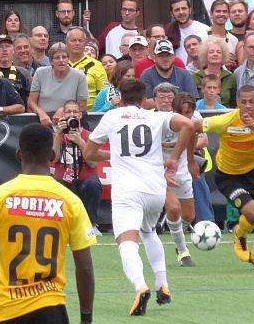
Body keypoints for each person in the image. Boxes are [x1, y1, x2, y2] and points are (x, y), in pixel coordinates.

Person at [0, 122, 96, 324]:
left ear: (19, 155)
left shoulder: (0, 196)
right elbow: (85, 267)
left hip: (7, 309)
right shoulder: (70, 200)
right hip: (51, 309)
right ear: (52, 155)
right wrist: (86, 318)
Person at [83, 78, 195, 315]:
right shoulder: (155, 117)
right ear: (145, 100)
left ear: (120, 100)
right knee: (149, 232)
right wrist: (174, 158)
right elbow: (188, 125)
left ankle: (140, 286)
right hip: (155, 189)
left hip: (128, 190)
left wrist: (113, 155)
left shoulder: (112, 117)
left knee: (126, 241)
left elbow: (89, 153)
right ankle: (162, 284)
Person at [198, 85, 254, 269]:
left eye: (252, 101)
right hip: (228, 176)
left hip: (252, 172)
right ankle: (239, 233)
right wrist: (188, 153)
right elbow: (194, 126)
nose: (248, 105)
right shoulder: (226, 120)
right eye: (244, 102)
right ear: (237, 103)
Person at [155, 90, 206, 267]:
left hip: (181, 170)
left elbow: (192, 138)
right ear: (175, 111)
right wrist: (160, 171)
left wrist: (191, 161)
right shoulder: (162, 122)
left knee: (189, 215)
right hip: (159, 170)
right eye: (183, 113)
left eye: (189, 112)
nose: (187, 116)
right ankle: (183, 251)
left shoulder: (193, 121)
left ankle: (178, 237)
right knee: (174, 208)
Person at [51, 100, 103, 232]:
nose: (72, 114)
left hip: (84, 179)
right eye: (68, 111)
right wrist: (58, 134)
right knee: (54, 183)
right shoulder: (57, 135)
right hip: (63, 178)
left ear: (80, 115)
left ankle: (91, 224)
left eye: (75, 111)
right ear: (63, 115)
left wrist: (80, 141)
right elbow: (54, 158)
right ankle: (59, 225)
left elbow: (93, 163)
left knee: (93, 184)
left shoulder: (89, 136)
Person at [28, 43, 88, 127]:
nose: (61, 60)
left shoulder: (79, 75)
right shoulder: (40, 73)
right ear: (51, 61)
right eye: (57, 58)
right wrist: (41, 113)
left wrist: (64, 110)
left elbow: (82, 105)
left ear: (68, 59)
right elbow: (31, 101)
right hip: (44, 120)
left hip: (69, 119)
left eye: (64, 57)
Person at [65, 27, 110, 110]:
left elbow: (104, 93)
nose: (77, 43)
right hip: (62, 112)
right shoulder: (60, 63)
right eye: (73, 40)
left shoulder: (96, 65)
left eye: (80, 41)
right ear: (66, 42)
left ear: (85, 43)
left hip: (90, 113)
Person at [192, 37, 237, 106]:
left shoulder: (230, 77)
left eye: (219, 52)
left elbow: (233, 103)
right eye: (211, 52)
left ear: (223, 56)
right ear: (205, 55)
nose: (215, 54)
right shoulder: (195, 77)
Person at [165, 0, 209, 64]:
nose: (181, 12)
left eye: (184, 8)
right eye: (177, 10)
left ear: (190, 10)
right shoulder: (167, 32)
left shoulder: (204, 29)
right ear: (171, 13)